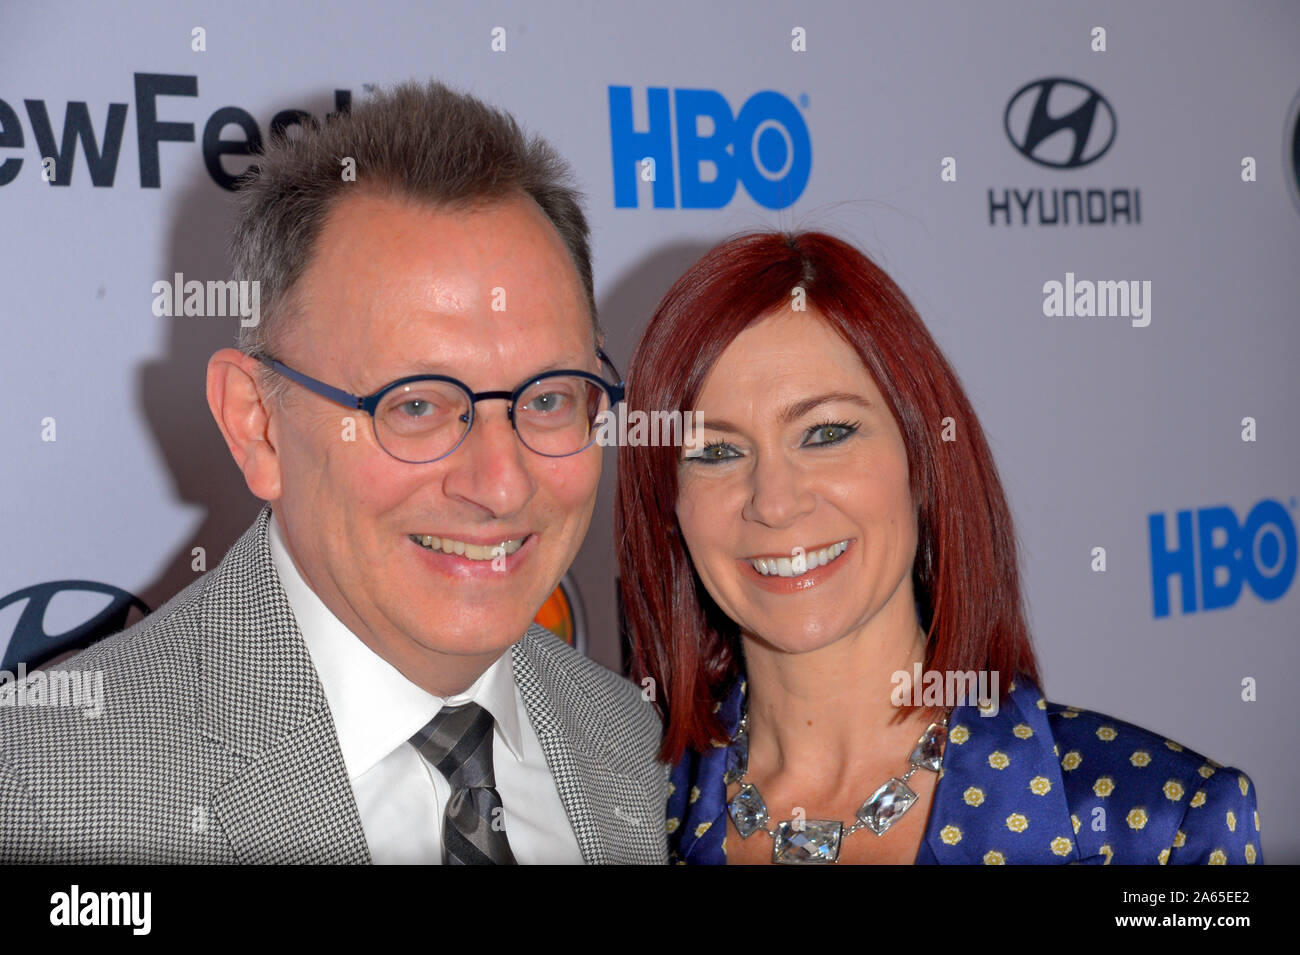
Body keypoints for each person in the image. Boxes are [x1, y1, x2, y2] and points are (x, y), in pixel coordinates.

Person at [0, 80, 666, 864]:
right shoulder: (53, 790)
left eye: (549, 396)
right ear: (257, 424)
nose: (502, 484)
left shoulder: (622, 735)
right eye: (416, 405)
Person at [615, 230, 1261, 865]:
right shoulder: (609, 819)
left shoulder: (1158, 826)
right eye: (717, 451)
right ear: (668, 506)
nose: (775, 501)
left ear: (921, 459)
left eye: (826, 432)